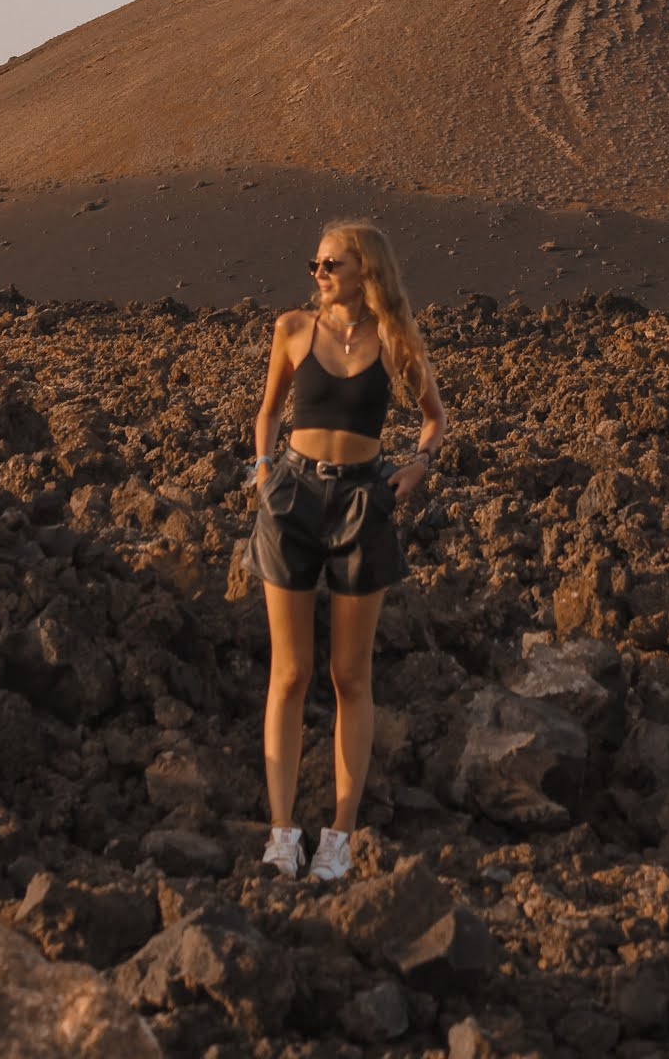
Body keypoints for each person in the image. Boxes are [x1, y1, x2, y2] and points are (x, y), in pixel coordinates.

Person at [248, 218, 447, 883]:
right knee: (289, 674)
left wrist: (418, 466)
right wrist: (261, 469)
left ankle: (337, 836)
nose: (319, 274)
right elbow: (269, 411)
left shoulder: (395, 340)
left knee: (350, 677)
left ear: (365, 268)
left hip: (363, 503)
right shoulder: (293, 330)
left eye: (330, 264)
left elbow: (433, 417)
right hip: (293, 501)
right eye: (315, 265)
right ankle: (282, 835)